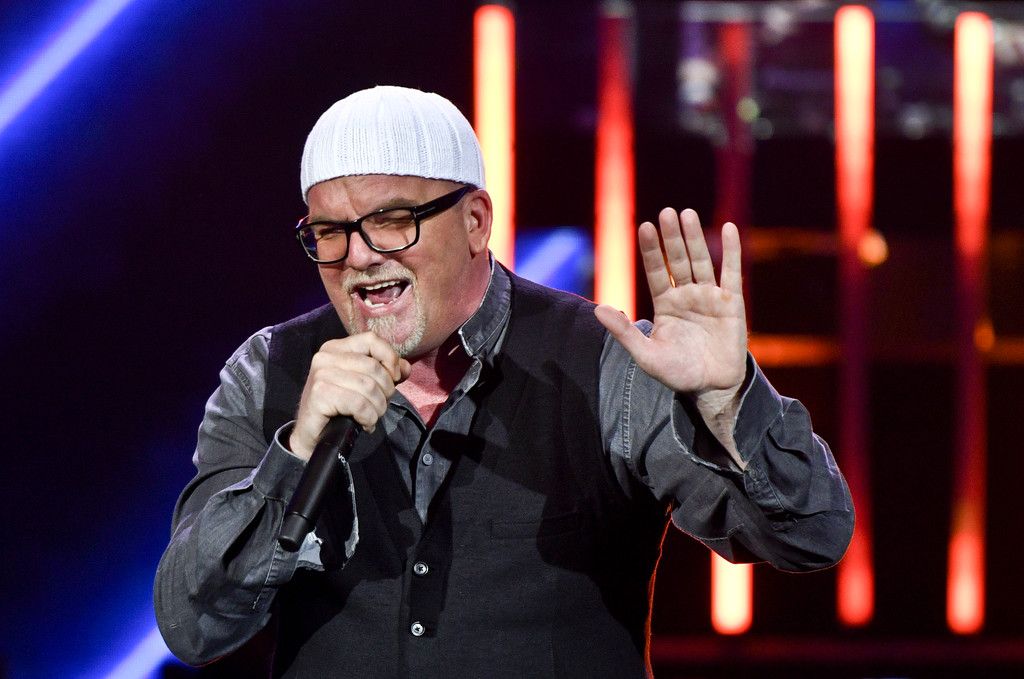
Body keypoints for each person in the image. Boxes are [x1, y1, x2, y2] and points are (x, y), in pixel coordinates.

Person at [154, 85, 853, 678]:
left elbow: (811, 536)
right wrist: (298, 453)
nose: (360, 257)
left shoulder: (607, 363)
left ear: (476, 221)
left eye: (391, 222)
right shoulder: (268, 372)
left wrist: (728, 404)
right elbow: (192, 625)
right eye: (330, 233)